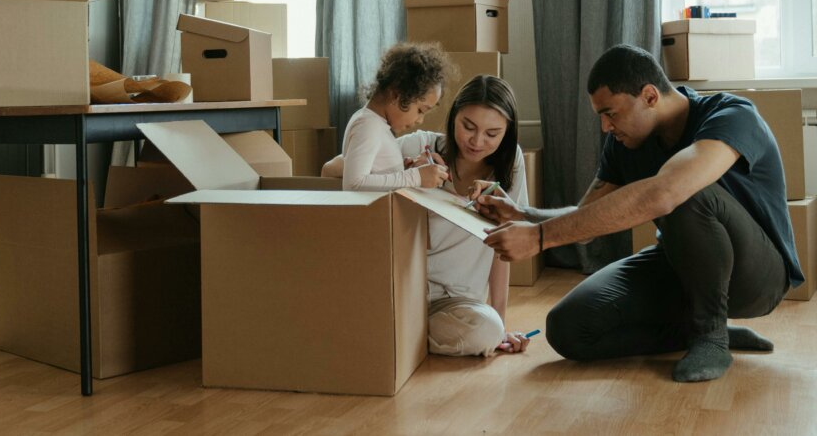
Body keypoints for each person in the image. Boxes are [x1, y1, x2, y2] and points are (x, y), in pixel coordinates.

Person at [479, 44, 803, 382]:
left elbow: (666, 193)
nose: (605, 127)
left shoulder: (732, 115)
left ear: (649, 96)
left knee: (684, 191)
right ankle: (696, 330)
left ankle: (711, 336)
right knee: (568, 329)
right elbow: (587, 219)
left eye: (611, 113)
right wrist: (525, 216)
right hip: (681, 267)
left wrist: (540, 238)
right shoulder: (624, 143)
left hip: (758, 278)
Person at [327, 74, 534, 356]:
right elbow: (332, 169)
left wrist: (500, 323)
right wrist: (407, 172)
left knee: (487, 330)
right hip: (401, 290)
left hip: (456, 303)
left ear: (507, 133)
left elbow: (504, 246)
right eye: (468, 126)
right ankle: (396, 332)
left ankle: (394, 334)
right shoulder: (420, 145)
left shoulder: (511, 165)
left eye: (492, 134)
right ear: (453, 117)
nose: (476, 141)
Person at [340, 42, 452, 191]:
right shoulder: (368, 125)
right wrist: (415, 177)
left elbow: (376, 178)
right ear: (396, 94)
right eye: (420, 110)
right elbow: (353, 184)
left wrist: (404, 171)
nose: (420, 120)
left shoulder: (377, 125)